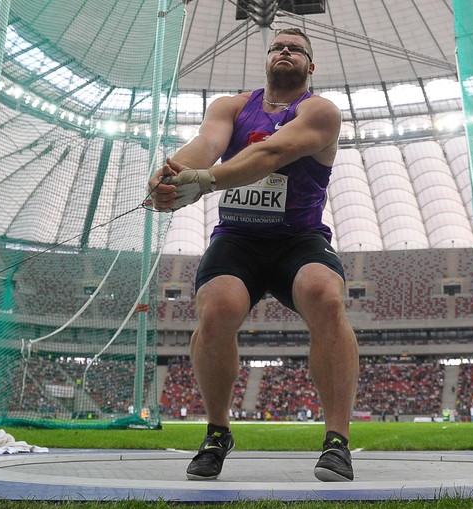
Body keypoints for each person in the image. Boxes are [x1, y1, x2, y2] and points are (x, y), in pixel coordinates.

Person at [147, 27, 359, 482]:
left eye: (296, 49)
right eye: (278, 46)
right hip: (238, 238)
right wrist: (173, 173)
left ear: (310, 66)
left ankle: (337, 441)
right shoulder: (231, 106)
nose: (285, 51)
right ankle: (217, 433)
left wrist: (205, 181)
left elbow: (273, 153)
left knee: (325, 296)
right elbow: (207, 145)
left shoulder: (320, 111)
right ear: (266, 59)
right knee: (217, 308)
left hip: (298, 238)